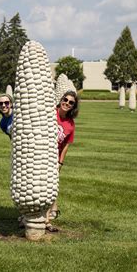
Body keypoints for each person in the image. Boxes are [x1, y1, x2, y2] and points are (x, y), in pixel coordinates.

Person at [46, 90, 79, 232]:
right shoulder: (50, 113)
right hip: (42, 153)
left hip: (54, 157)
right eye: (65, 100)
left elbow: (66, 145)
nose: (67, 103)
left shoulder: (70, 124)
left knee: (50, 185)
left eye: (71, 102)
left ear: (73, 106)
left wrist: (60, 163)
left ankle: (47, 218)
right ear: (61, 100)